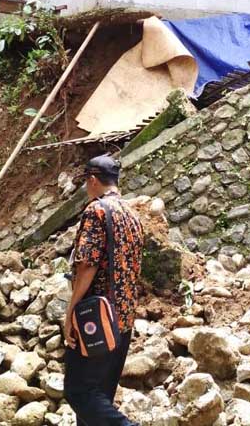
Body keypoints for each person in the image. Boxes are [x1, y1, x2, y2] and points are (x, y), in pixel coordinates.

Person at [63, 155, 144, 426]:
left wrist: (71, 311)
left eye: (86, 182)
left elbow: (87, 263)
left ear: (93, 180)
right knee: (100, 397)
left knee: (79, 392)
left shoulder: (96, 211)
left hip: (96, 319)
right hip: (123, 319)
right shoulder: (132, 214)